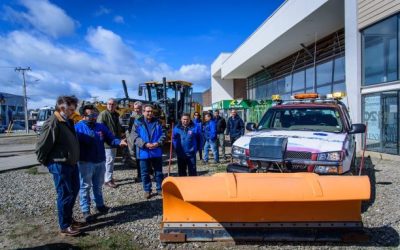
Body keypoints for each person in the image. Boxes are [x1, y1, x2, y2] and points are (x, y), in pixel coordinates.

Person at [35, 95, 82, 236]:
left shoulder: (68, 121)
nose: (73, 111)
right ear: (62, 107)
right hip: (60, 164)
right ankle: (65, 225)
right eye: (71, 109)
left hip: (71, 164)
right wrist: (47, 162)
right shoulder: (53, 123)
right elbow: (41, 146)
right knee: (65, 194)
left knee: (73, 191)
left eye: (74, 108)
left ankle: (69, 218)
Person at [75, 104, 127, 222]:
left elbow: (110, 138)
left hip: (100, 161)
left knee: (98, 186)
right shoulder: (77, 128)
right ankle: (86, 210)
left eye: (95, 114)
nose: (94, 117)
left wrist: (118, 142)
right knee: (85, 187)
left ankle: (100, 205)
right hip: (85, 163)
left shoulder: (100, 126)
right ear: (83, 116)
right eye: (91, 115)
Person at [130, 104, 166, 199]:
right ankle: (147, 190)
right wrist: (145, 144)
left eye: (151, 111)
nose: (150, 113)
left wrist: (157, 143)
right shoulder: (137, 122)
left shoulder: (158, 122)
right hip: (143, 152)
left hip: (156, 151)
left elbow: (164, 134)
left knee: (158, 172)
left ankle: (159, 189)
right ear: (143, 112)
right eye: (147, 111)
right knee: (145, 173)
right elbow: (134, 136)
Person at [97, 98, 124, 188]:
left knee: (111, 160)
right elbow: (100, 128)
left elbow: (117, 127)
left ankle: (109, 177)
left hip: (114, 140)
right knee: (109, 161)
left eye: (112, 104)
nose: (110, 105)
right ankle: (107, 180)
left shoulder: (115, 114)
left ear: (116, 105)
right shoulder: (103, 114)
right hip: (107, 142)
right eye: (109, 104)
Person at [127, 101, 143, 182]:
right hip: (136, 141)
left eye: (138, 108)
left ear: (142, 108)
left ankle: (148, 172)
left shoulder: (145, 115)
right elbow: (129, 130)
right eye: (135, 108)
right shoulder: (132, 117)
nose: (136, 110)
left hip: (144, 140)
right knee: (138, 158)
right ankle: (140, 175)